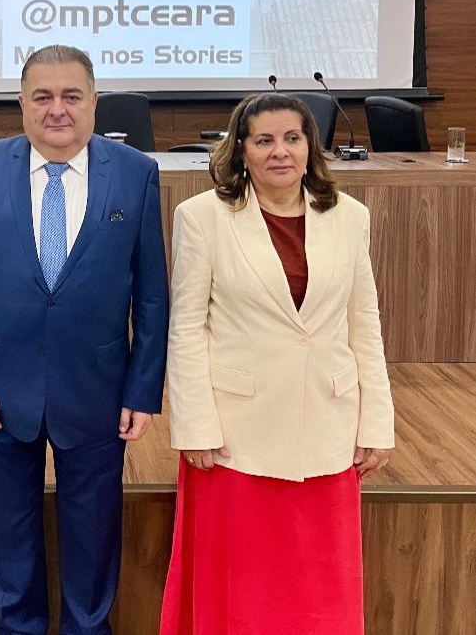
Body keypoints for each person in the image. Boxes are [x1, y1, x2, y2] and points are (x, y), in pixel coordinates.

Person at [0, 45, 169, 635]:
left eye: (71, 96)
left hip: (98, 390)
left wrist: (142, 389)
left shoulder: (135, 172)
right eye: (42, 96)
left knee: (93, 538)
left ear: (93, 102)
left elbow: (153, 295)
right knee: (8, 541)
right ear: (21, 103)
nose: (56, 109)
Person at [159, 92, 395, 635]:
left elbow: (365, 323)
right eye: (264, 140)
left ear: (310, 145)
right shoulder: (203, 217)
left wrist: (376, 423)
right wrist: (194, 424)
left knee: (318, 594)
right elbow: (188, 328)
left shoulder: (349, 217)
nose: (279, 151)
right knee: (241, 594)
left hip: (327, 429)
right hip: (236, 440)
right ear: (240, 150)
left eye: (292, 138)